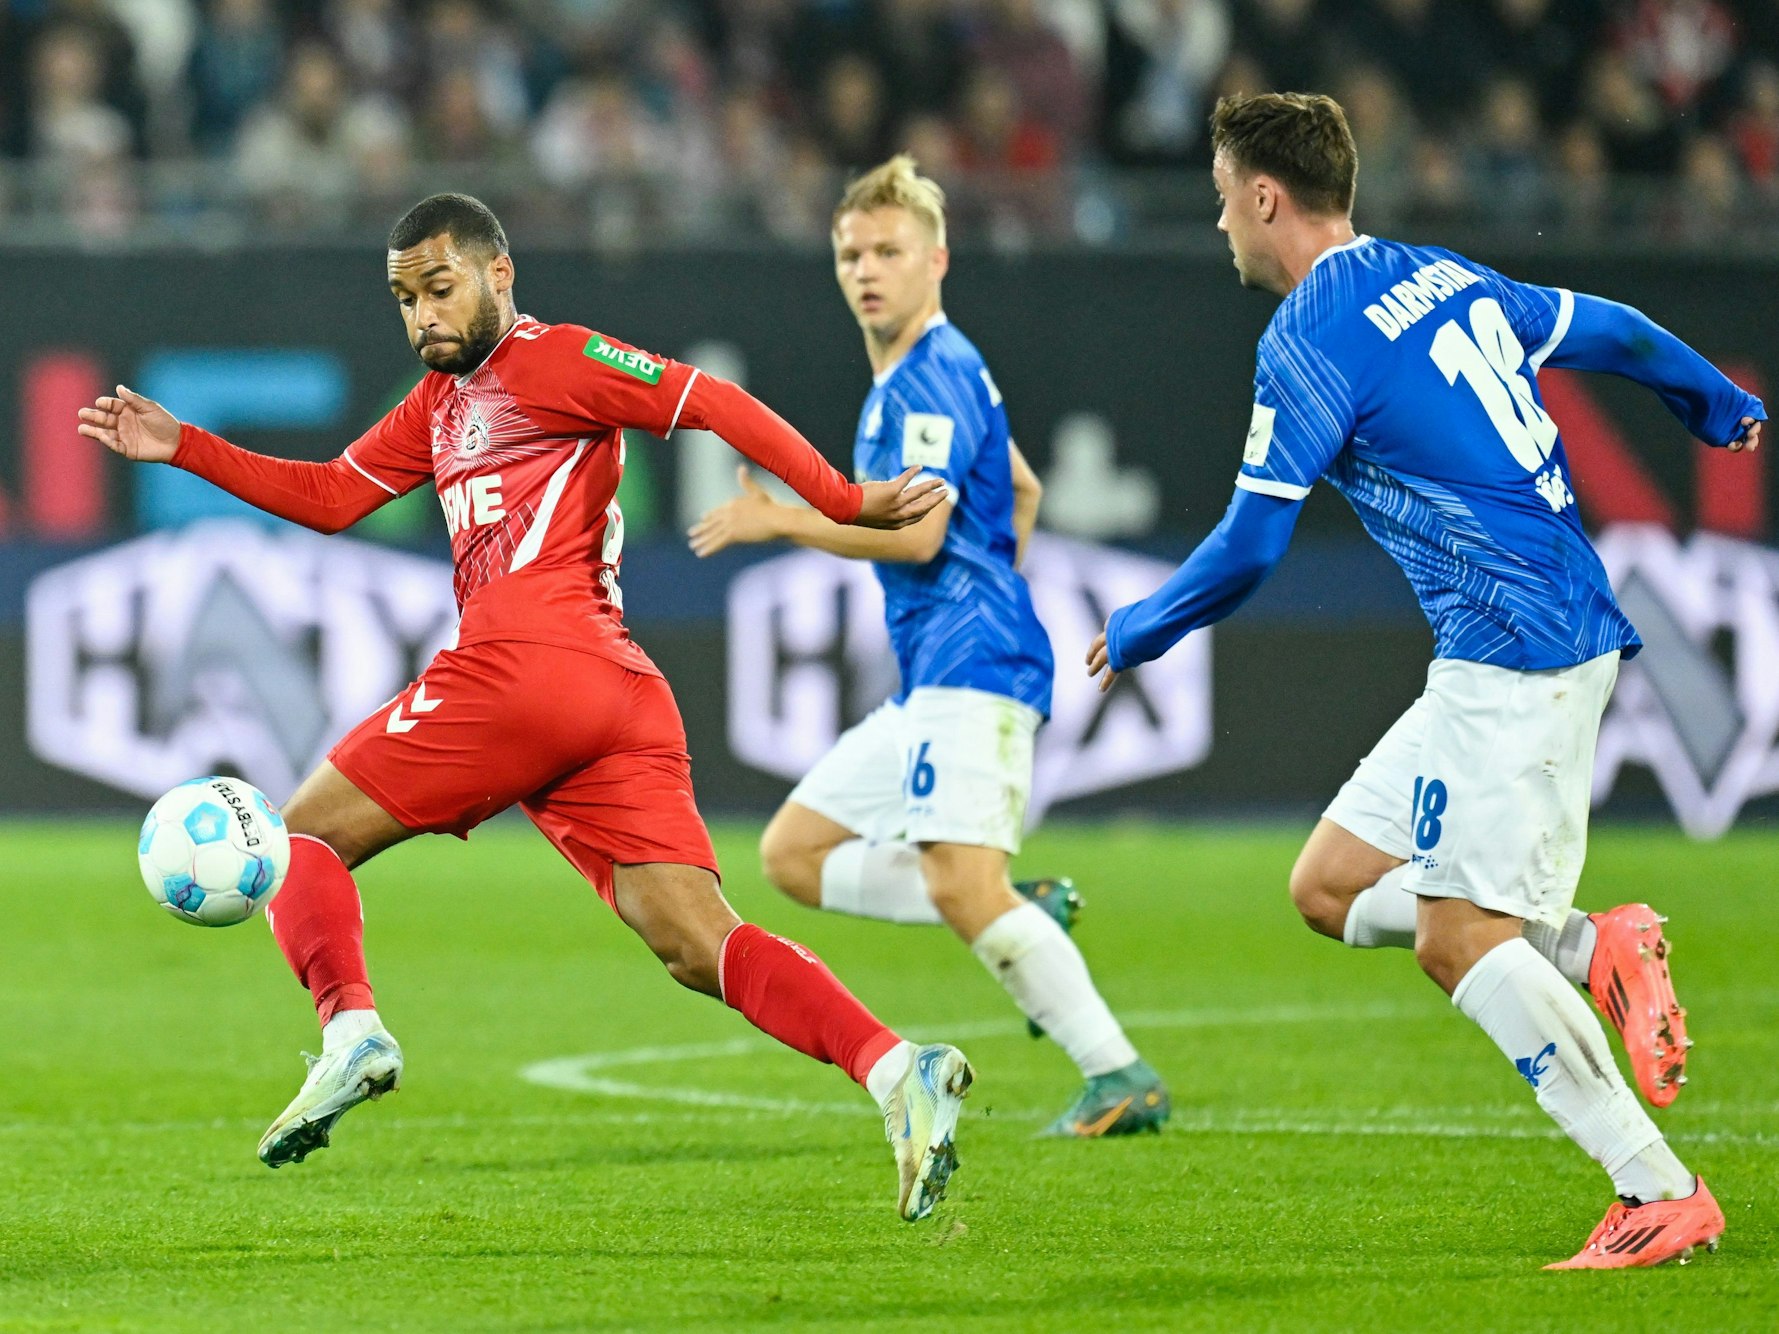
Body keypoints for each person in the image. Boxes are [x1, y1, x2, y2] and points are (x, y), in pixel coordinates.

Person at [75, 192, 975, 1224]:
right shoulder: (438, 404)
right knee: (693, 940)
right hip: (613, 694)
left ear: (500, 275)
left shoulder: (558, 360)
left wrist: (840, 496)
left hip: (524, 663)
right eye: (404, 297)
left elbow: (712, 399)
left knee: (296, 838)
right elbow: (333, 496)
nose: (422, 316)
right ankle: (896, 1065)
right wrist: (185, 443)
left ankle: (351, 1028)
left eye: (440, 286)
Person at [1087, 93, 1765, 1269]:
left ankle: (1655, 1186)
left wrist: (1141, 625)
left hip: (1522, 649)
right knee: (1332, 884)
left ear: (1265, 197)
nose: (1220, 230)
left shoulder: (1307, 337)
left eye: (1220, 203)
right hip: (1504, 646)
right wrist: (1714, 398)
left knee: (1456, 936)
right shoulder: (1438, 274)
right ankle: (1586, 944)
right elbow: (1607, 326)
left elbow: (1252, 547)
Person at [688, 155, 1169, 1137]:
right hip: (942, 669)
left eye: (889, 251)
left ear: (936, 259)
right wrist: (994, 578)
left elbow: (915, 535)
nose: (867, 269)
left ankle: (1120, 1075)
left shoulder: (930, 378)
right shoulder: (928, 376)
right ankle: (1020, 903)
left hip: (972, 664)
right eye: (850, 253)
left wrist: (783, 520)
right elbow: (1022, 489)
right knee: (793, 852)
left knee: (956, 882)